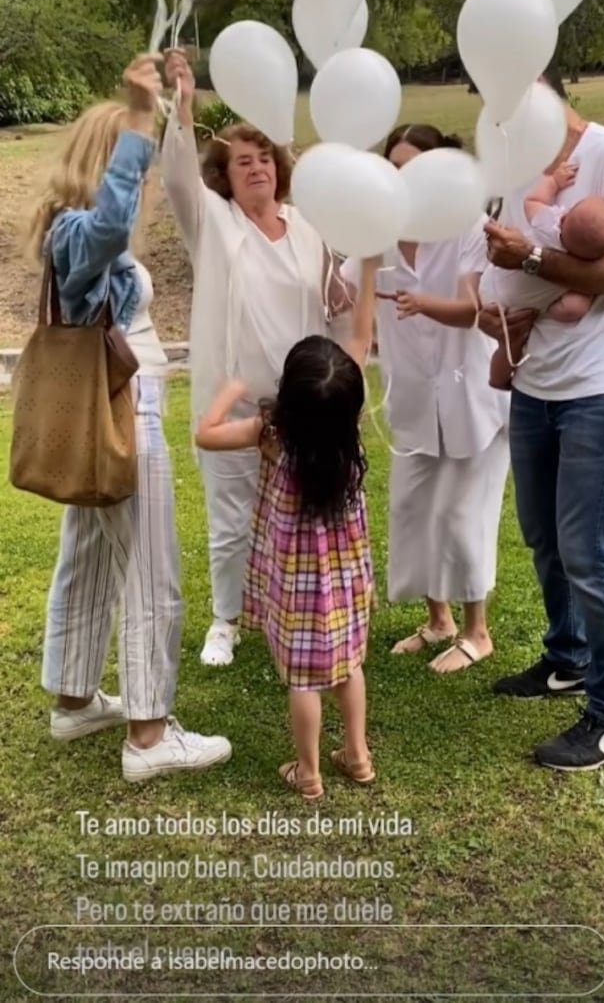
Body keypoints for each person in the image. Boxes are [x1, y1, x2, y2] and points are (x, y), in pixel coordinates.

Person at [30, 54, 231, 783]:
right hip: (121, 414)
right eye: (131, 163)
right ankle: (149, 735)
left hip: (104, 415)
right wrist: (142, 117)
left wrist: (178, 104)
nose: (141, 183)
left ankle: (76, 696)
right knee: (150, 568)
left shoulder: (69, 233)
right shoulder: (81, 233)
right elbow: (115, 220)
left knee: (86, 554)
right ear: (105, 160)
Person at [481, 70, 604, 771]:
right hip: (535, 379)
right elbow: (489, 265)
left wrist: (527, 254)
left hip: (599, 384)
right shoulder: (516, 173)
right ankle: (568, 660)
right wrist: (496, 316)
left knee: (586, 549)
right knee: (543, 537)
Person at [161, 51, 344, 668]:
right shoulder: (212, 222)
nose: (257, 167)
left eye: (265, 157)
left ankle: (298, 610)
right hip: (236, 399)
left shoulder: (306, 224)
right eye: (243, 161)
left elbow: (331, 296)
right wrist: (183, 104)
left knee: (303, 507)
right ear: (227, 175)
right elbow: (178, 179)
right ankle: (226, 618)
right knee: (232, 512)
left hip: (303, 404)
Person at [196, 258, 380, 801]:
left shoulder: (271, 433)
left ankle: (310, 772)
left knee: (304, 680)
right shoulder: (348, 431)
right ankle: (358, 755)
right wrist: (369, 266)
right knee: (347, 667)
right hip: (344, 580)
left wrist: (231, 389)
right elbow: (363, 338)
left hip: (297, 587)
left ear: (288, 394)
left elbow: (206, 436)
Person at [342, 125, 510, 674]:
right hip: (413, 397)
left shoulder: (467, 226)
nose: (402, 177)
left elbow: (474, 309)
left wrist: (423, 303)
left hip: (472, 399)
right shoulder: (378, 235)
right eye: (393, 166)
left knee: (463, 516)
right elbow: (353, 306)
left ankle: (476, 631)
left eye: (413, 166)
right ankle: (437, 620)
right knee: (413, 511)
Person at [481, 160, 604, 388]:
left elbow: (533, 201)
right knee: (510, 345)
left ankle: (497, 381)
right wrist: (584, 292)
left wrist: (554, 182)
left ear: (565, 218)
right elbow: (570, 310)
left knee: (506, 339)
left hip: (491, 286)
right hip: (518, 309)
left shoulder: (549, 225)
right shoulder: (577, 272)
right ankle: (498, 379)